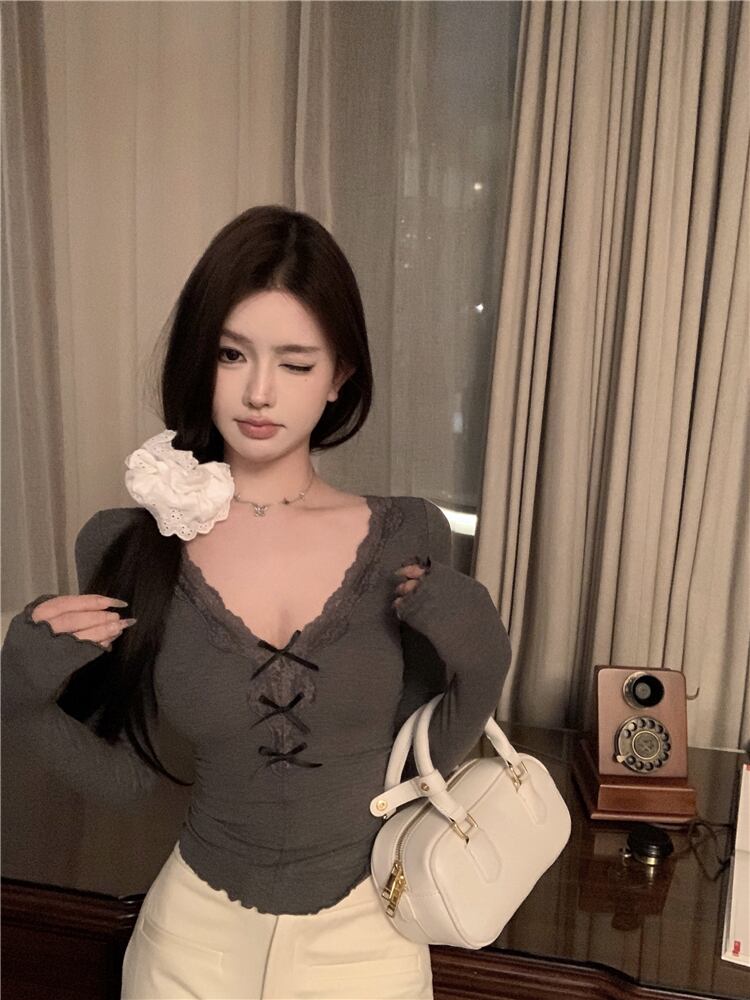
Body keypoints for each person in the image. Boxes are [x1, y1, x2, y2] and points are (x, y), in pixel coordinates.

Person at [1, 205, 513, 1000]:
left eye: (296, 363)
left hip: (367, 949)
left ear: (340, 375)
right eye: (232, 354)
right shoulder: (125, 544)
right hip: (189, 947)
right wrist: (17, 696)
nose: (259, 391)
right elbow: (128, 780)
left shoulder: (408, 533)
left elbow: (420, 769)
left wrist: (484, 664)